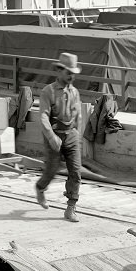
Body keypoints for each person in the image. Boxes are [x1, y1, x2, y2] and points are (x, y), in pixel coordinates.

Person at [35, 52, 83, 222]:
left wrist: (78, 136)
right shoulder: (48, 92)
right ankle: (40, 188)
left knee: (76, 171)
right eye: (68, 72)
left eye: (73, 73)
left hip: (71, 135)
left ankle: (71, 207)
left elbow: (78, 116)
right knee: (52, 170)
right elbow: (43, 116)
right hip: (54, 135)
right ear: (60, 70)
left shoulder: (74, 92)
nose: (71, 76)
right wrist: (51, 137)